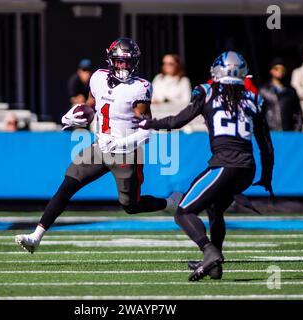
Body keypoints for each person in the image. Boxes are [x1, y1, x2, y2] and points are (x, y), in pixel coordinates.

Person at [15, 38, 182, 253]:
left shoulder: (140, 88)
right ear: (111, 60)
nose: (124, 66)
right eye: (120, 61)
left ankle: (170, 203)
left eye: (128, 62)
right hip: (99, 146)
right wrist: (75, 116)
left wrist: (121, 143)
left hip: (126, 152)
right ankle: (36, 237)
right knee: (67, 185)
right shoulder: (98, 77)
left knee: (130, 206)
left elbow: (146, 130)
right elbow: (92, 106)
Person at [136, 51, 274, 281]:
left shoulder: (207, 92)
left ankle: (209, 251)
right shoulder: (255, 99)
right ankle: (215, 266)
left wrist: (148, 123)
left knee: (182, 211)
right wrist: (266, 176)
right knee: (215, 209)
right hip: (248, 169)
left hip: (225, 165)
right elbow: (266, 147)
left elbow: (177, 121)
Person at [259, 58, 303, 131]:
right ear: (271, 71)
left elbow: (298, 113)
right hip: (271, 132)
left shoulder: (291, 91)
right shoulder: (263, 91)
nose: (280, 71)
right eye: (276, 69)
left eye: (282, 69)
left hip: (288, 132)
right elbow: (259, 114)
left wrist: (296, 131)